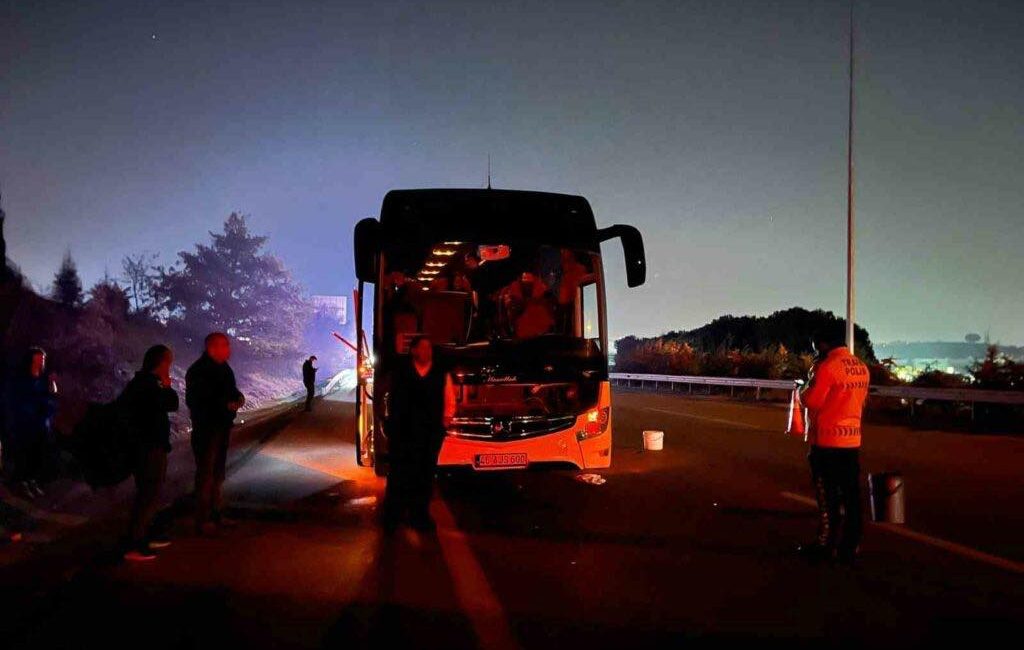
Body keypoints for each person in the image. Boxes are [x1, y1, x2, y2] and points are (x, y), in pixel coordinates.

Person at [798, 324, 870, 565]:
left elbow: (812, 401)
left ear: (823, 344)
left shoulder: (827, 367)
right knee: (851, 496)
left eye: (816, 346)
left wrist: (804, 386)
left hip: (827, 441)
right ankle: (852, 545)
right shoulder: (861, 367)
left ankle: (825, 544)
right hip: (852, 439)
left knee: (827, 496)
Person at [380, 335, 455, 533]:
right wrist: (389, 423)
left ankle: (419, 515)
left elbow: (449, 400)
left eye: (429, 348)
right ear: (413, 351)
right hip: (403, 433)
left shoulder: (440, 373)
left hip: (429, 434)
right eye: (422, 348)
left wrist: (443, 425)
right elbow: (389, 398)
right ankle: (393, 516)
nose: (427, 352)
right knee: (398, 474)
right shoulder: (400, 372)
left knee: (425, 475)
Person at [116, 345, 178, 561]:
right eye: (167, 363)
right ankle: (134, 544)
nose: (168, 368)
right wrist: (168, 386)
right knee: (147, 495)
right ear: (160, 363)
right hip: (148, 448)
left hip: (150, 446)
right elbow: (171, 404)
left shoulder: (145, 383)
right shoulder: (146, 385)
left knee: (151, 493)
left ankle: (144, 537)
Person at [185, 332, 245, 536]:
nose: (228, 349)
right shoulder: (198, 371)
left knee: (217, 474)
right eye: (224, 345)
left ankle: (216, 513)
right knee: (206, 475)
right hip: (207, 429)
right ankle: (202, 519)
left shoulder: (224, 369)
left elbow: (231, 390)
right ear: (212, 348)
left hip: (222, 427)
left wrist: (238, 398)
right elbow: (197, 401)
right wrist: (224, 404)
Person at [2, 347, 58, 499]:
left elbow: (52, 397)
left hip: (41, 425)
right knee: (24, 455)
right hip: (26, 425)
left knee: (37, 455)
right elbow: (17, 403)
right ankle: (22, 483)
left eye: (43, 359)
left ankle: (32, 480)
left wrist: (52, 384)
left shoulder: (42, 379)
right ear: (31, 360)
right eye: (39, 359)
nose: (42, 362)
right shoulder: (21, 380)